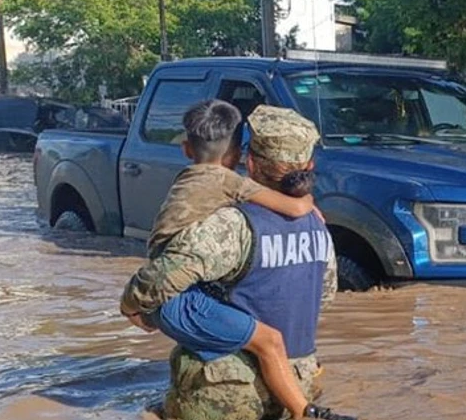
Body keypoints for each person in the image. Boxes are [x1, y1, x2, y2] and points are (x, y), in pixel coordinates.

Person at [120, 105, 354, 420]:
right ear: (309, 165)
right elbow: (322, 297)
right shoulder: (318, 227)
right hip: (300, 383)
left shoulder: (232, 223)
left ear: (251, 161)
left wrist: (132, 305)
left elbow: (163, 275)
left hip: (229, 394)